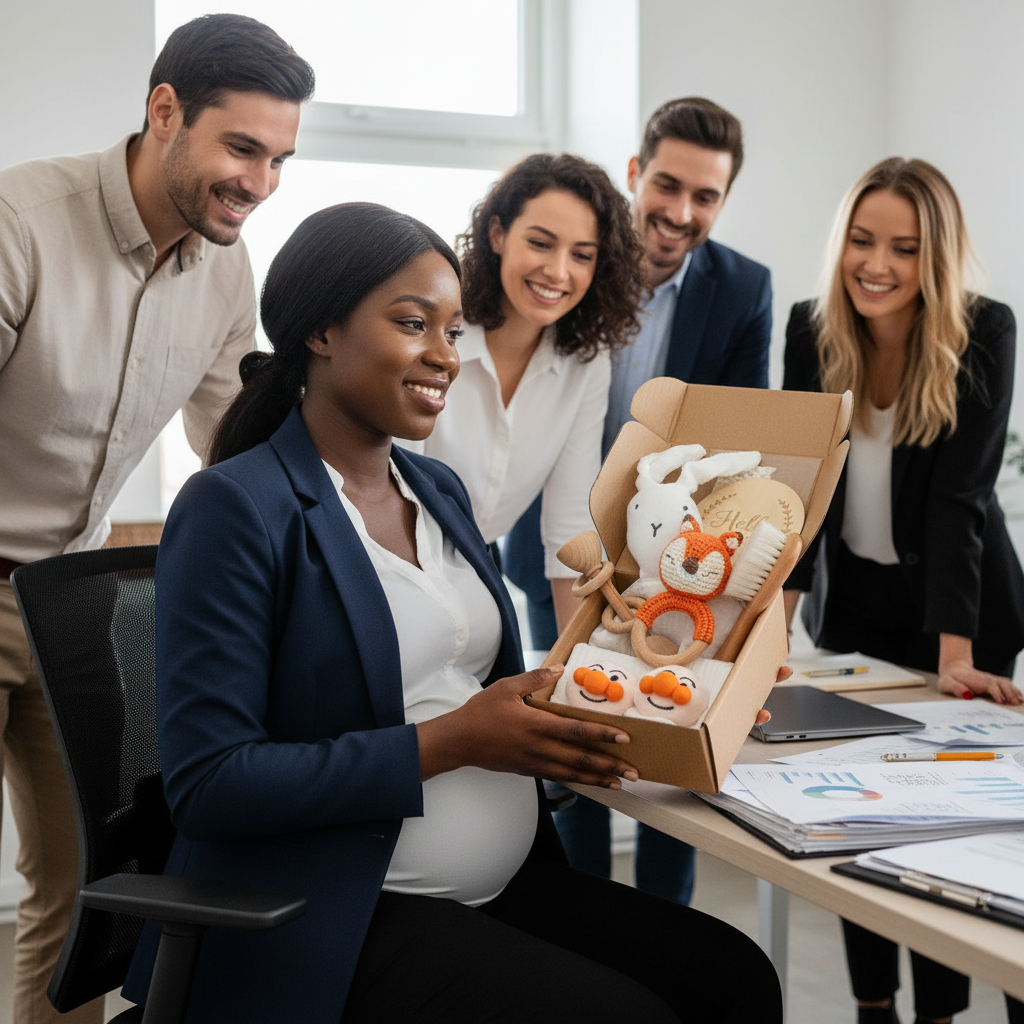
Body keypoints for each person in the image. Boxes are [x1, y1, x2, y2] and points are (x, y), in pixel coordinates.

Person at [120, 202, 783, 1024]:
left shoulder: (437, 492)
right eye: (413, 323)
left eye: (453, 330)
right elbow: (211, 786)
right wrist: (452, 742)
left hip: (506, 884)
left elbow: (491, 687)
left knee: (735, 978)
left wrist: (686, 682)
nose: (445, 355)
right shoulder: (236, 507)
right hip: (336, 911)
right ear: (322, 331)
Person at [0, 15, 313, 1021]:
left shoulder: (226, 269)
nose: (258, 183)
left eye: (278, 159)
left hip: (69, 599)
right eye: (241, 148)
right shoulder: (20, 221)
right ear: (163, 109)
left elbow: (233, 444)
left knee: (86, 899)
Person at [782, 156, 1024, 1024]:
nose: (876, 264)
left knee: (956, 826)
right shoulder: (812, 329)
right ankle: (876, 1006)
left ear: (938, 256)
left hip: (963, 613)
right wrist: (771, 634)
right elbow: (798, 489)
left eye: (905, 248)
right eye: (862, 240)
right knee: (865, 814)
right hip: (858, 613)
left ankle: (944, 1010)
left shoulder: (983, 330)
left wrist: (955, 657)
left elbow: (961, 497)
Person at [541, 96, 773, 909]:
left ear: (722, 200)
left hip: (675, 547)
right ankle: (584, 918)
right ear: (637, 173)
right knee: (576, 733)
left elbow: (736, 445)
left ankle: (662, 929)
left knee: (668, 735)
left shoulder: (744, 288)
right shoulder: (580, 262)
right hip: (560, 539)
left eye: (704, 197)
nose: (680, 213)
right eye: (667, 185)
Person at [406, 151, 643, 634]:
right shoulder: (433, 332)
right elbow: (383, 496)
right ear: (497, 235)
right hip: (386, 564)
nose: (558, 272)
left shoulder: (585, 362)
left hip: (473, 570)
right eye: (540, 243)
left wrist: (581, 669)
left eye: (582, 254)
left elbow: (570, 528)